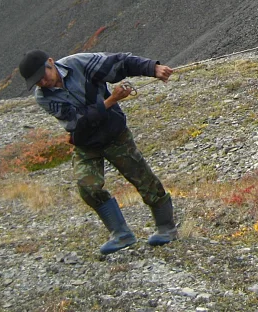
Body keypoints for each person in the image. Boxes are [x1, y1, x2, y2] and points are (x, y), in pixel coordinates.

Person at [18, 49, 177, 254]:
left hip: (115, 134)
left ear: (51, 62)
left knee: (143, 179)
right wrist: (112, 100)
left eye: (43, 76)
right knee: (87, 187)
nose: (42, 83)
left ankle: (166, 229)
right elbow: (79, 122)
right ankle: (121, 235)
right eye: (36, 81)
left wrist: (152, 68)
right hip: (85, 143)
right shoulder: (43, 98)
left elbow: (119, 63)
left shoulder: (79, 63)